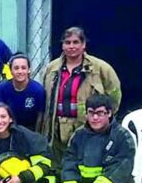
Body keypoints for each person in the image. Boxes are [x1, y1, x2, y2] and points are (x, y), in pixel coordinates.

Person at [43, 27, 122, 169]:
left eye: (76, 42)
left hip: (86, 127)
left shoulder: (101, 69)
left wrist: (103, 119)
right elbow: (45, 97)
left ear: (84, 44)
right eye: (67, 42)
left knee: (85, 165)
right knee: (57, 168)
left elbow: (114, 95)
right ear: (62, 45)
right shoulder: (52, 69)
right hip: (57, 128)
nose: (71, 46)